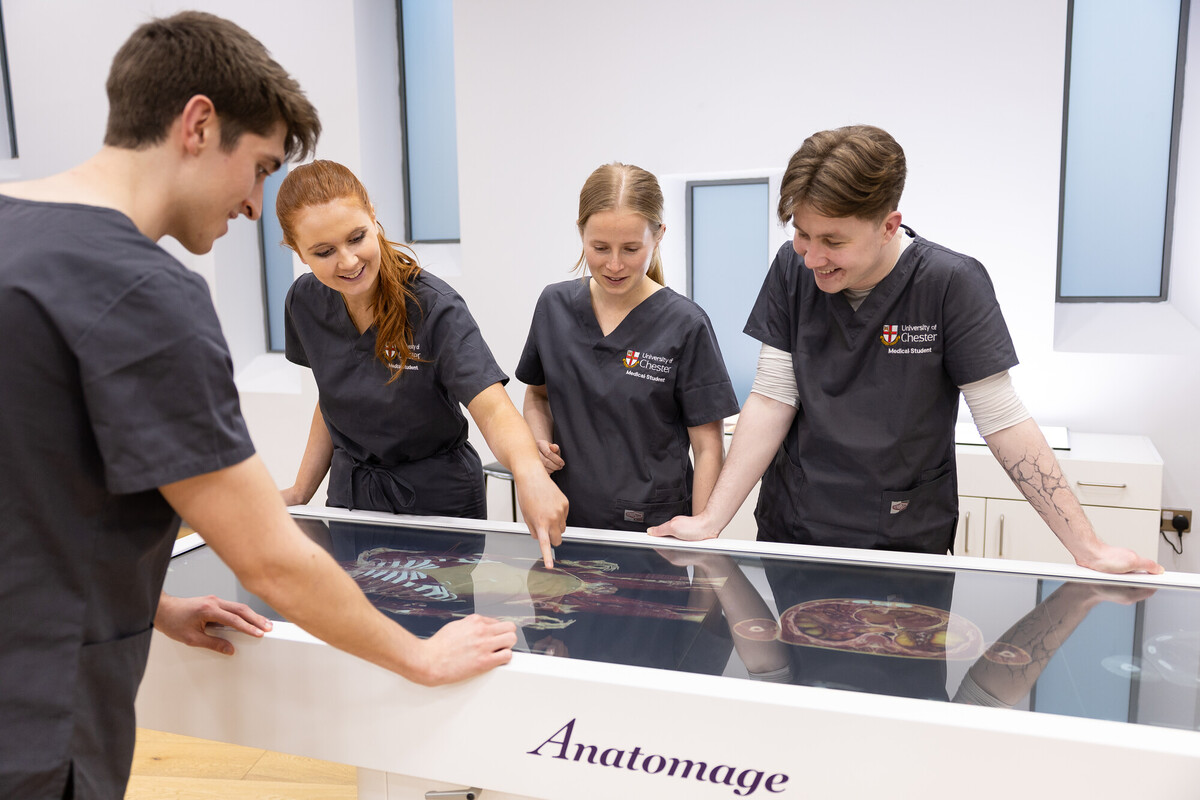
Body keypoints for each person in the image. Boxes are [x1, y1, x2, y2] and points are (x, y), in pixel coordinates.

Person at [0, 13, 516, 799]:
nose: (253, 204)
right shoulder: (147, 294)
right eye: (261, 167)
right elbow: (268, 557)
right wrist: (418, 657)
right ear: (199, 125)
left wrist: (153, 599)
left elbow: (36, 488)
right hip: (37, 714)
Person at [650, 125, 1162, 576]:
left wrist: (1087, 547)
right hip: (796, 531)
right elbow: (773, 398)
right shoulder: (791, 268)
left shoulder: (949, 282)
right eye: (803, 234)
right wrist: (712, 520)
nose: (814, 258)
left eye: (833, 240)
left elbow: (1002, 420)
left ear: (890, 225)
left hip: (905, 543)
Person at [275, 160, 568, 566]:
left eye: (357, 237)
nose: (347, 261)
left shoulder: (433, 306)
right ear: (297, 251)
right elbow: (333, 398)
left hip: (437, 502)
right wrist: (300, 491)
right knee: (360, 622)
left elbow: (492, 407)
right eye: (323, 252)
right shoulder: (304, 302)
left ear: (373, 218)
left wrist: (530, 475)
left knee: (431, 626)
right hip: (351, 498)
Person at [517, 162, 740, 531]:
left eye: (631, 248)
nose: (615, 264)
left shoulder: (685, 324)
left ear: (659, 236)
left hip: (654, 531)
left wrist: (702, 535)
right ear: (580, 233)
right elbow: (538, 395)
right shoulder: (553, 307)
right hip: (566, 521)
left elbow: (708, 447)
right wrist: (539, 441)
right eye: (600, 247)